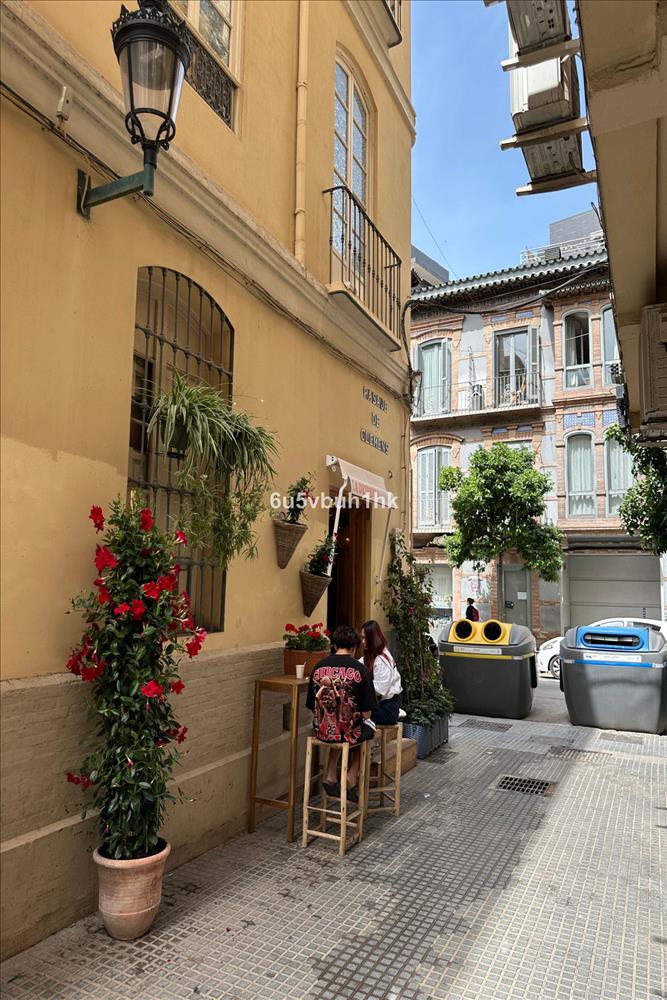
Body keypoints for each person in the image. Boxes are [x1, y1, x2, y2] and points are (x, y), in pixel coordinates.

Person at [306, 625, 377, 803]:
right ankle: (351, 777)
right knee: (367, 729)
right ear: (354, 647)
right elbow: (367, 712)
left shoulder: (318, 667)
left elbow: (311, 705)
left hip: (322, 732)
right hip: (348, 733)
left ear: (334, 645)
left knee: (337, 727)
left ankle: (330, 775)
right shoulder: (360, 670)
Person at [360, 620, 402, 727]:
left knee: (355, 716)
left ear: (373, 639)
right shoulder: (369, 656)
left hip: (387, 708)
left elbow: (379, 689)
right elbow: (357, 665)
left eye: (366, 638)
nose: (363, 642)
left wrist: (359, 686)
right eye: (362, 638)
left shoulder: (382, 659)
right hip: (379, 704)